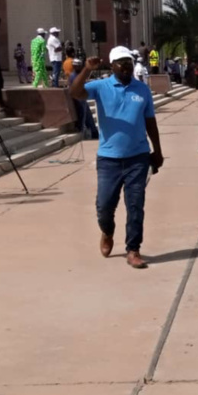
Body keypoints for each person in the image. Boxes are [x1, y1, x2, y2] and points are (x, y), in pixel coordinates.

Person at [69, 46, 164, 269]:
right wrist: (86, 70)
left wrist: (157, 151)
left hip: (138, 158)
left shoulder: (142, 90)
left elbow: (150, 121)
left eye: (129, 62)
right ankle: (107, 231)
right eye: (121, 62)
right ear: (112, 66)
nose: (126, 66)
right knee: (104, 206)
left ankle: (133, 249)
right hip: (109, 159)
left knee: (135, 205)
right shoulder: (101, 87)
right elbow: (75, 92)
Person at [68, 59, 99, 140]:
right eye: (76, 65)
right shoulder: (73, 76)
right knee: (83, 116)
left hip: (83, 99)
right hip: (79, 100)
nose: (78, 66)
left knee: (89, 117)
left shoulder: (78, 75)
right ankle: (83, 131)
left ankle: (94, 133)